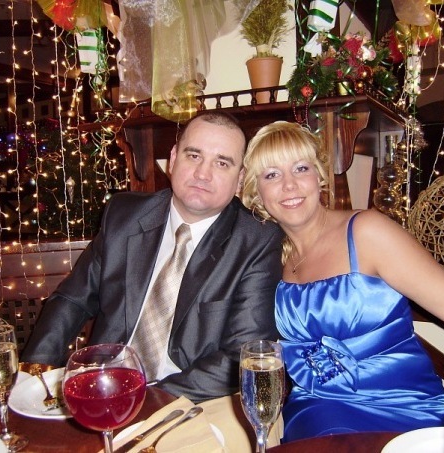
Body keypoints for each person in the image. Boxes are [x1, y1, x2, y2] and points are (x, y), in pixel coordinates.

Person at [241, 120, 444, 442]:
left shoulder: (366, 232)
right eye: (272, 175)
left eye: (300, 168)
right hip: (317, 406)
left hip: (404, 405)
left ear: (319, 176)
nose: (289, 185)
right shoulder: (270, 257)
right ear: (256, 192)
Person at [21, 111, 284, 403]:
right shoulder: (124, 215)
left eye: (222, 163)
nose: (203, 173)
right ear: (173, 159)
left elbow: (240, 356)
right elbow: (73, 299)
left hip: (187, 403)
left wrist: (143, 399)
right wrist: (35, 372)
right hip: (102, 385)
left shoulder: (258, 241)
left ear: (240, 179)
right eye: (193, 156)